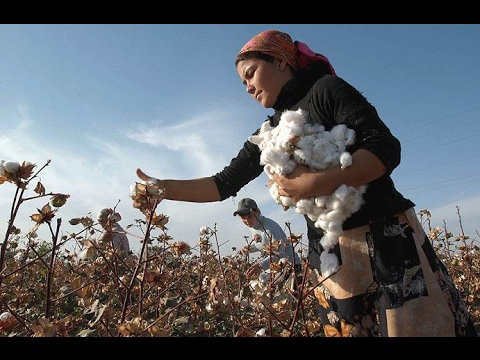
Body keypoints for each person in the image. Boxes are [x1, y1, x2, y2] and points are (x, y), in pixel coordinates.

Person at [134, 29, 477, 337]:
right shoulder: (267, 135)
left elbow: (384, 148)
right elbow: (222, 184)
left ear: (281, 60)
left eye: (250, 74)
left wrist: (315, 183)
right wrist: (162, 188)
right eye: (242, 83)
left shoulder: (326, 91)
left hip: (387, 239)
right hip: (332, 256)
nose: (248, 87)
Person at [233, 197, 301, 281]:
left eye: (250, 216)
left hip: (291, 266)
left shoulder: (270, 227)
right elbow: (262, 244)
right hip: (277, 267)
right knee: (261, 282)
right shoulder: (253, 227)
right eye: (243, 218)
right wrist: (249, 248)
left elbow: (280, 253)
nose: (247, 221)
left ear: (257, 212)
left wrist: (260, 265)